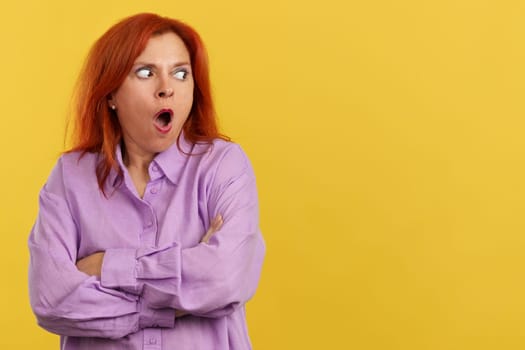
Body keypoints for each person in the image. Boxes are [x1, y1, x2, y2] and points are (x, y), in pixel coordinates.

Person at [28, 13, 265, 349]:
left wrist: (106, 267)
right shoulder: (70, 178)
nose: (167, 87)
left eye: (181, 73)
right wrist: (176, 295)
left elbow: (225, 277)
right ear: (110, 94)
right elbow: (51, 300)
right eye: (146, 72)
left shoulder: (223, 166)